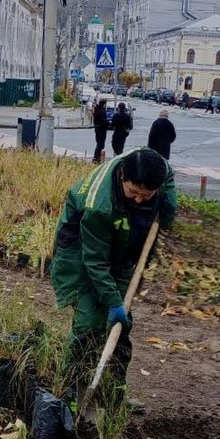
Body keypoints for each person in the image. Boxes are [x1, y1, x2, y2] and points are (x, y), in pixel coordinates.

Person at [51, 148, 177, 412]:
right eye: (134, 192)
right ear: (122, 177)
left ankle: (113, 395)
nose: (140, 199)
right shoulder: (99, 205)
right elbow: (95, 262)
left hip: (121, 248)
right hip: (79, 253)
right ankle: (67, 393)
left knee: (120, 328)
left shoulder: (155, 168)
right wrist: (112, 302)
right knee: (88, 324)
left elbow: (168, 178)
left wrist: (168, 207)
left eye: (147, 195)